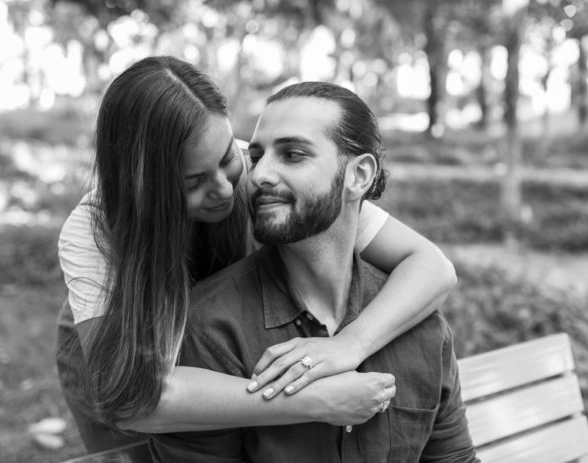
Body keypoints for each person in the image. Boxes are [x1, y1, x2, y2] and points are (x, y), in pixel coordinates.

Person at [56, 56, 458, 454]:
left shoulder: (265, 170)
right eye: (194, 181)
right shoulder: (94, 228)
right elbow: (134, 401)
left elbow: (431, 267)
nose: (227, 190)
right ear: (145, 187)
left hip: (228, 338)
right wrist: (311, 402)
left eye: (228, 157)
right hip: (124, 349)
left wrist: (348, 345)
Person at [149, 81, 477, 462]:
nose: (258, 176)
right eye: (256, 157)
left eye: (292, 154)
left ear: (358, 176)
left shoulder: (422, 327)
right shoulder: (211, 330)